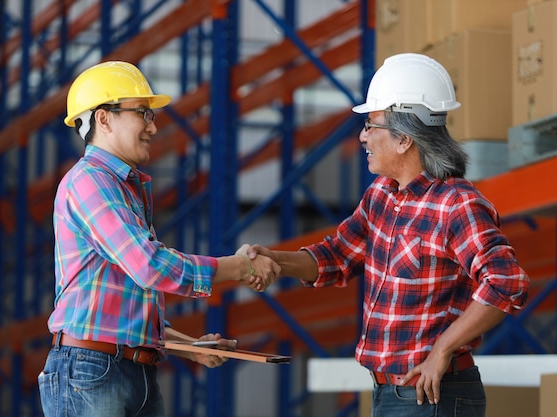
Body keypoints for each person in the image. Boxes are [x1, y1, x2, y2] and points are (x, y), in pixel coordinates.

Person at [249, 53, 529, 417]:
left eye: (371, 124)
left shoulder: (456, 205)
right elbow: (335, 256)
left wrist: (442, 349)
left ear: (404, 139)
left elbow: (506, 282)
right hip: (388, 393)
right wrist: (274, 260)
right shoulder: (381, 195)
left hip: (432, 394)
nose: (363, 136)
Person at [38, 60, 280, 417]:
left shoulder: (121, 188)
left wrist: (188, 345)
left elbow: (124, 307)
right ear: (104, 119)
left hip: (126, 370)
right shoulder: (89, 181)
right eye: (142, 114)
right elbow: (150, 266)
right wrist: (239, 267)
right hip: (93, 371)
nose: (153, 126)